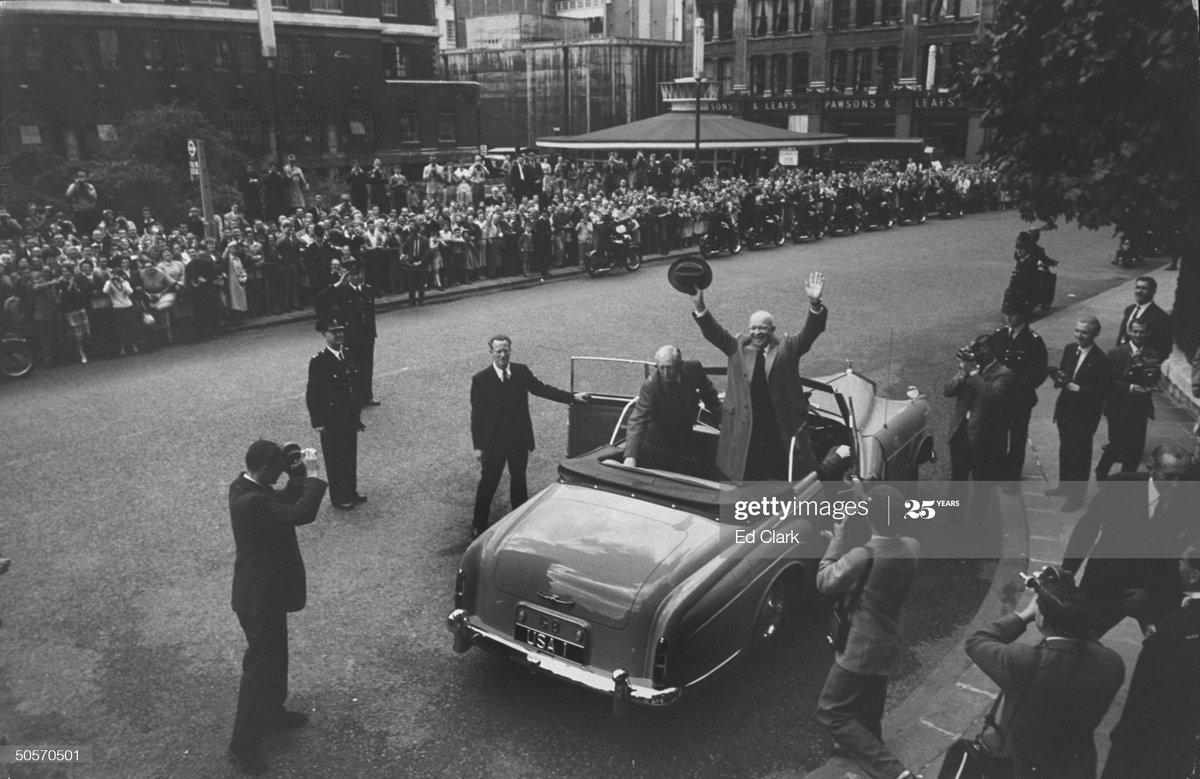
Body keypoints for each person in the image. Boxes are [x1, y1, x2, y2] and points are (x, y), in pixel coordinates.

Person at [965, 566, 1125, 779]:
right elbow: (1087, 641)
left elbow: (977, 641)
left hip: (1021, 767)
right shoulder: (1113, 663)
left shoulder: (1025, 662)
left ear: (1041, 619)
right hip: (1076, 768)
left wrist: (1023, 616)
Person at [228, 439, 327, 775]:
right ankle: (243, 745)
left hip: (265, 592)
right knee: (258, 670)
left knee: (276, 654)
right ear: (267, 468)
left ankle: (272, 712)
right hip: (258, 598)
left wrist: (294, 478)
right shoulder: (252, 501)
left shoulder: (245, 485)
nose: (280, 473)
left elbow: (281, 502)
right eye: (278, 469)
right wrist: (312, 476)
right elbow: (300, 513)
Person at [815, 484, 921, 779]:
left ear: (869, 518)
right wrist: (865, 495)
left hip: (861, 645)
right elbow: (883, 520)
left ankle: (896, 773)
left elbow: (825, 580)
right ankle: (867, 744)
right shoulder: (912, 546)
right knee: (871, 699)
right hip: (889, 638)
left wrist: (836, 541)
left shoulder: (862, 557)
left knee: (831, 711)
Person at [690, 272, 828, 480]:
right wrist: (700, 307)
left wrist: (815, 303)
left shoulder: (787, 348)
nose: (757, 333)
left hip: (777, 421)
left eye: (762, 328)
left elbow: (811, 332)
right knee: (748, 468)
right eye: (753, 328)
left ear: (772, 329)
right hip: (748, 423)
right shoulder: (737, 346)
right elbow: (713, 332)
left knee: (780, 468)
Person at [1062, 445, 1196, 637]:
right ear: (1151, 468)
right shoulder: (1120, 486)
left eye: (1183, 478)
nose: (1177, 485)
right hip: (1105, 582)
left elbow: (1186, 556)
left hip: (1154, 589)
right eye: (1169, 476)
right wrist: (1067, 572)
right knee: (1079, 635)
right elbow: (1086, 530)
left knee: (1164, 646)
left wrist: (1152, 592)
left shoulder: (1192, 501)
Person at [469, 335, 589, 538]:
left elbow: (541, 389)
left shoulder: (520, 371)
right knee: (488, 483)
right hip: (494, 443)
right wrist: (478, 446)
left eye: (506, 350)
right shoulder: (481, 379)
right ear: (491, 353)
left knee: (519, 480)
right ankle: (478, 524)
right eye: (498, 351)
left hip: (518, 439)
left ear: (510, 350)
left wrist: (571, 398)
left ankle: (519, 521)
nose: (503, 354)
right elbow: (477, 416)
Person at [1101, 544, 1200, 778]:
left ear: (1194, 575)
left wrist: (1122, 735)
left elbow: (1142, 694)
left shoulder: (1173, 631)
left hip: (1153, 737)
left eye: (1181, 562)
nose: (1178, 564)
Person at [622, 345, 723, 478]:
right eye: (661, 367)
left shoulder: (694, 368)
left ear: (680, 364)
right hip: (658, 445)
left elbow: (710, 396)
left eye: (669, 368)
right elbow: (638, 419)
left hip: (684, 436)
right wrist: (630, 456)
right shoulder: (651, 386)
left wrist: (723, 420)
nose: (665, 373)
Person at [1046, 317, 1114, 512]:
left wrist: (1079, 389)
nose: (1079, 336)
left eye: (1084, 332)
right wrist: (1059, 379)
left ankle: (1076, 496)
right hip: (1065, 410)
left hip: (1084, 415)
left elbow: (1106, 390)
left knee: (1080, 454)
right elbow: (1065, 374)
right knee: (1065, 448)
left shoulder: (1102, 360)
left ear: (1095, 334)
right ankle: (1064, 485)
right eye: (1077, 331)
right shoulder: (1070, 349)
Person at [305, 315, 365, 510]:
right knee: (335, 459)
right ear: (324, 335)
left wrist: (356, 410)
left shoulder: (347, 354)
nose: (339, 335)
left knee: (349, 454)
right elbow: (313, 394)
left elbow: (352, 385)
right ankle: (339, 497)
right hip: (331, 418)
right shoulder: (319, 361)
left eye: (341, 330)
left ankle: (351, 491)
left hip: (348, 416)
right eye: (334, 332)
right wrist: (318, 421)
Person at [943, 333, 1014, 487]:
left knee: (983, 482)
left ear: (995, 350)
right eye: (978, 349)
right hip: (961, 432)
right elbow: (948, 391)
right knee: (957, 480)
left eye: (984, 349)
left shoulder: (1004, 373)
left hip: (984, 437)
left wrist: (973, 374)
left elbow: (992, 395)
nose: (980, 352)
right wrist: (962, 374)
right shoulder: (971, 367)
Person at [1095, 320, 1162, 480]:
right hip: (1118, 407)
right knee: (1117, 444)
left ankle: (1126, 480)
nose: (1139, 335)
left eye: (1142, 332)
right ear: (1129, 332)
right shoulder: (1116, 353)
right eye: (1136, 331)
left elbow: (1153, 377)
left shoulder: (1152, 355)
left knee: (1135, 448)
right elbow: (1106, 380)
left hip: (1140, 408)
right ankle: (1102, 471)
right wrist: (1130, 387)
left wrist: (1152, 383)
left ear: (1148, 333)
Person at [993, 301, 1048, 480]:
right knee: (998, 435)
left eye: (1013, 314)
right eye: (1005, 313)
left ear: (1022, 315)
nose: (1008, 317)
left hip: (1020, 398)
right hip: (1000, 396)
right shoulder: (1000, 335)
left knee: (1017, 438)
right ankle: (998, 468)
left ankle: (1012, 475)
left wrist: (1022, 386)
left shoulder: (1033, 341)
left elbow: (1040, 371)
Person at [326, 259, 378, 407]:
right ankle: (355, 397)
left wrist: (373, 332)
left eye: (359, 274)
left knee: (367, 366)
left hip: (366, 334)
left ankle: (367, 396)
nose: (357, 277)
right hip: (352, 335)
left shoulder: (368, 289)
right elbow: (328, 298)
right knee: (353, 367)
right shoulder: (343, 291)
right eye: (353, 274)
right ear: (349, 276)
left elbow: (370, 314)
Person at [1115, 276, 1172, 360]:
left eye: (1144, 289)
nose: (1139, 292)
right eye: (1137, 287)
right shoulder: (1129, 309)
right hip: (1123, 358)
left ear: (1153, 292)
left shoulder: (1160, 317)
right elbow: (1122, 335)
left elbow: (1164, 347)